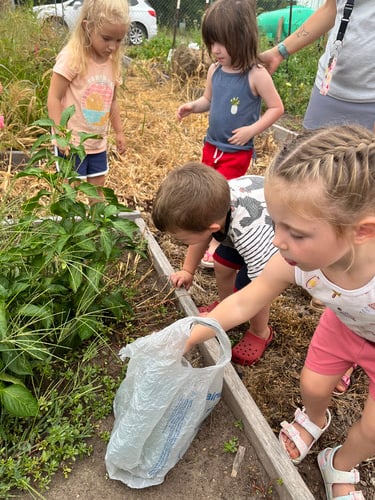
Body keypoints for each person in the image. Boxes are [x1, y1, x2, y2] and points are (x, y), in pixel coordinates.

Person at [183, 124, 375, 499]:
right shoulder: (296, 262)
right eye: (275, 222)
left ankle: (340, 463)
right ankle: (314, 418)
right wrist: (187, 337)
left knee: (373, 430)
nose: (277, 240)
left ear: (361, 232)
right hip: (344, 326)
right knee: (313, 385)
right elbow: (243, 300)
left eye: (296, 233)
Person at [177, 0, 283, 267]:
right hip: (211, 146)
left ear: (241, 37)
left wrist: (251, 130)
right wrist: (193, 106)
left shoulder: (256, 74)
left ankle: (218, 243)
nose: (215, 50)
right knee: (207, 192)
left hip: (236, 151)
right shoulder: (215, 70)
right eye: (211, 43)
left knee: (224, 198)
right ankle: (210, 237)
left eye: (221, 43)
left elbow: (276, 108)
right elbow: (208, 101)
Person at [151, 161, 278, 365]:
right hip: (233, 222)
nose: (180, 243)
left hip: (268, 233)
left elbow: (261, 290)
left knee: (247, 287)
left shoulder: (251, 238)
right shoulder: (210, 209)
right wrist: (187, 270)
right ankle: (225, 307)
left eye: (183, 240)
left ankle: (260, 332)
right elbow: (201, 238)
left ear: (211, 228)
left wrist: (244, 303)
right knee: (222, 264)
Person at [47, 0, 128, 196]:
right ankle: (71, 225)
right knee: (70, 192)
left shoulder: (112, 63)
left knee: (97, 191)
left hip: (97, 143)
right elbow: (54, 97)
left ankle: (95, 224)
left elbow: (113, 101)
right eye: (106, 38)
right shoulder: (73, 57)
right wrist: (60, 135)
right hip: (72, 142)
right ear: (87, 26)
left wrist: (118, 132)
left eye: (118, 40)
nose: (113, 47)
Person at [260, 0, 375, 132]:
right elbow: (330, 10)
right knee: (307, 149)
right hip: (327, 89)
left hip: (370, 101)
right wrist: (278, 53)